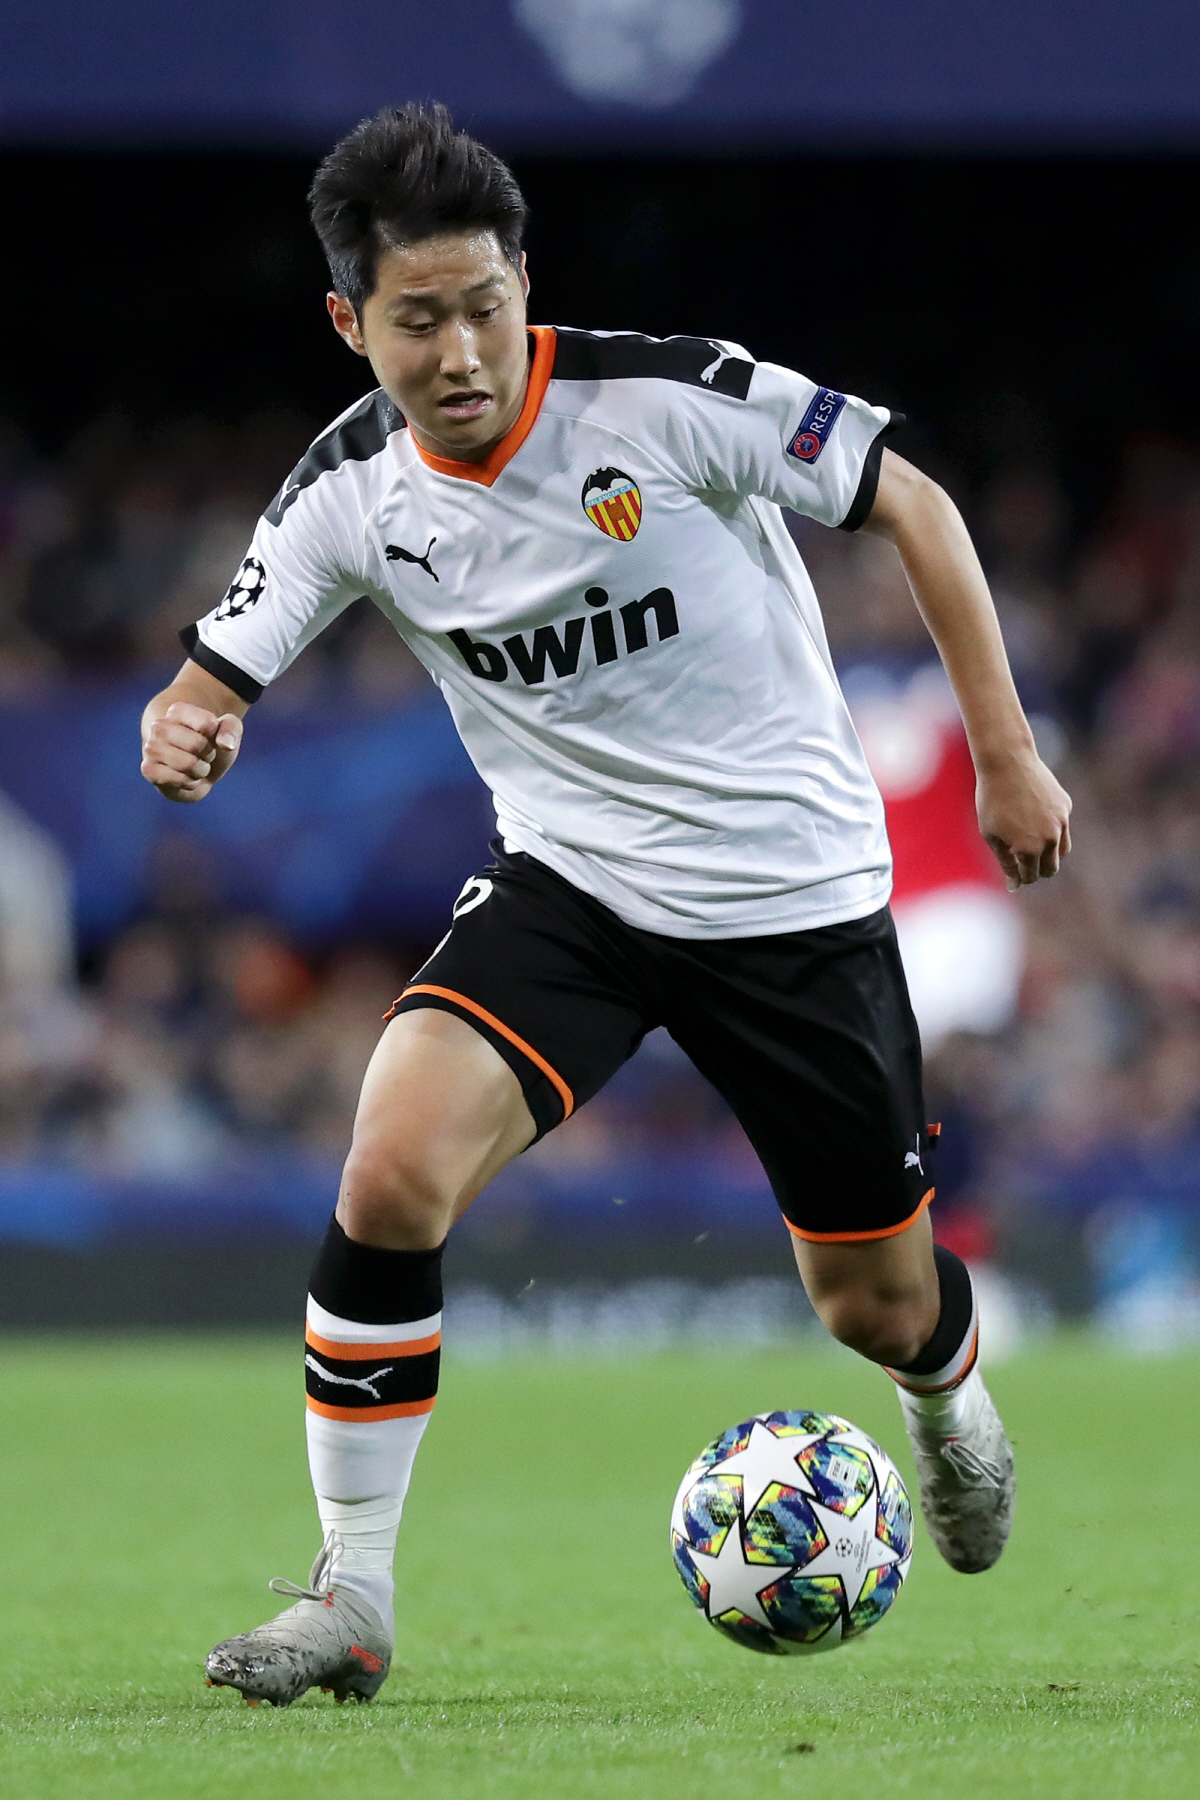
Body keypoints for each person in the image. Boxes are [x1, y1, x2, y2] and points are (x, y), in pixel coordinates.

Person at [140, 104, 1071, 1707]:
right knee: (390, 1169)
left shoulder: (666, 397)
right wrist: (190, 724)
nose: (459, 352)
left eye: (484, 306)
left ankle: (945, 1392)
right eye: (417, 321)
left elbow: (913, 500)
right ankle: (351, 1594)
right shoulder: (349, 490)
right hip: (574, 885)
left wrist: (1006, 754)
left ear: (526, 282)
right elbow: (212, 674)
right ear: (350, 323)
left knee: (873, 1302)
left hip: (791, 896)